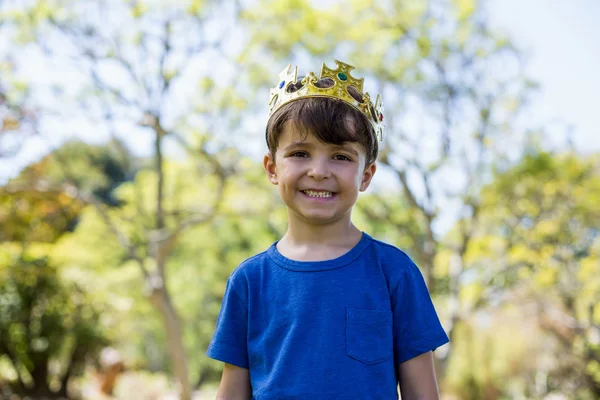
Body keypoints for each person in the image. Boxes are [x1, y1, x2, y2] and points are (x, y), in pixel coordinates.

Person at [206, 60, 449, 399]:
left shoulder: (394, 273)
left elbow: (422, 393)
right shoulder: (249, 281)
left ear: (366, 175)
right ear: (272, 168)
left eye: (340, 157)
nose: (319, 171)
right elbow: (232, 391)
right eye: (300, 153)